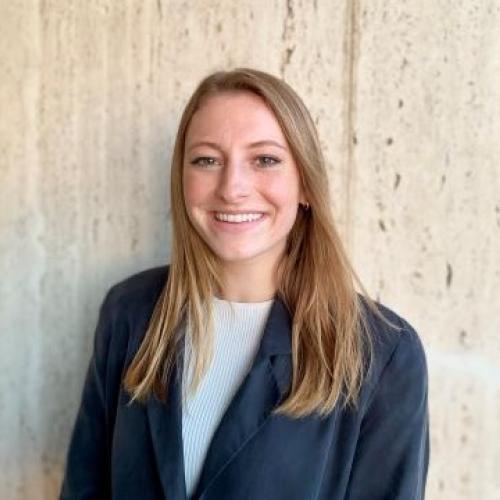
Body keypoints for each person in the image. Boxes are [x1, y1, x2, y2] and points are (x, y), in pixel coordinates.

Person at [59, 68, 429, 500]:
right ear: (182, 180)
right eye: (207, 160)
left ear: (305, 183)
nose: (232, 188)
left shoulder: (382, 353)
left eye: (265, 159)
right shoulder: (129, 313)